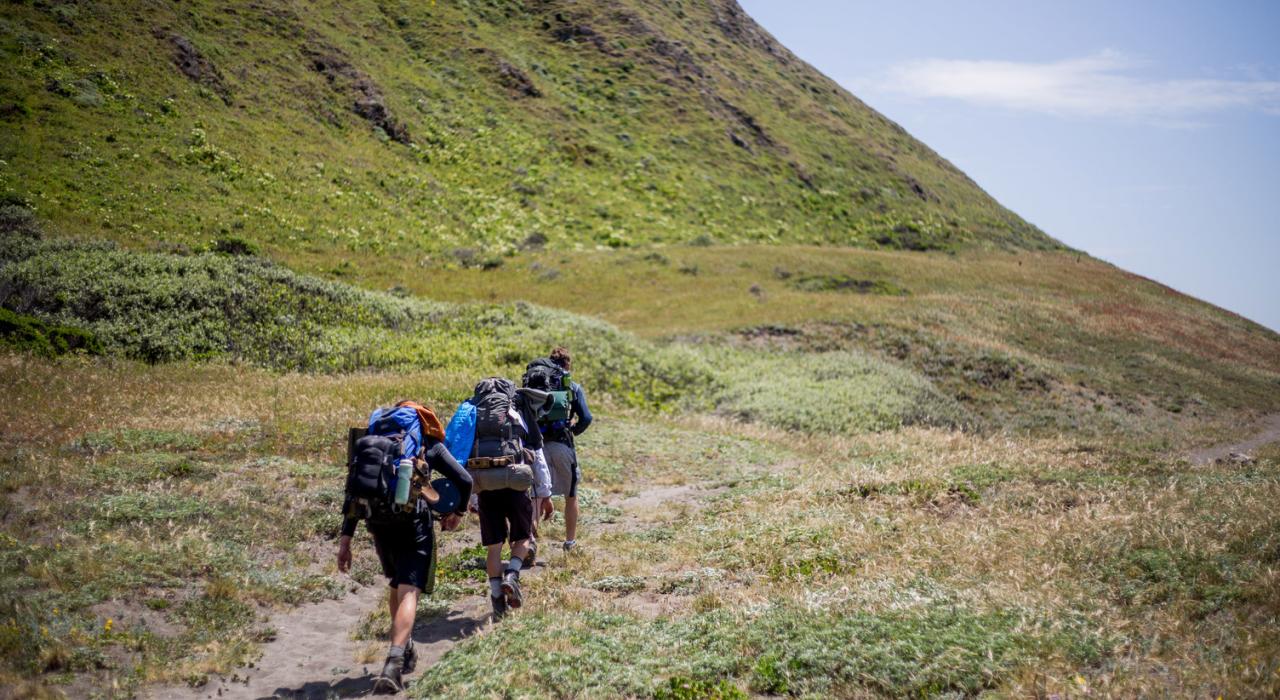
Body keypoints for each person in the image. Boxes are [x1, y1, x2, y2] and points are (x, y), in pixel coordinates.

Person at [336, 401, 472, 694]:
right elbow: (464, 479)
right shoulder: (427, 444)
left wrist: (345, 539)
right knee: (409, 588)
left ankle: (405, 646)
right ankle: (393, 663)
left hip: (377, 521)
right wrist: (457, 513)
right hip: (413, 521)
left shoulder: (370, 442)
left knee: (395, 583)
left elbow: (352, 490)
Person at [468, 380, 553, 618]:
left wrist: (470, 497)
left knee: (494, 547)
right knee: (523, 537)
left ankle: (496, 596)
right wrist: (544, 491)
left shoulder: (474, 412)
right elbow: (535, 449)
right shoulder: (516, 410)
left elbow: (463, 450)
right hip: (516, 483)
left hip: (485, 486)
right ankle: (512, 575)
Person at [539, 347, 592, 551]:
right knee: (571, 496)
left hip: (538, 447)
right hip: (562, 444)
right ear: (567, 364)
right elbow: (586, 418)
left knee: (536, 496)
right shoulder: (572, 387)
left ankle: (529, 544)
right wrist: (573, 431)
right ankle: (570, 542)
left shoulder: (536, 385)